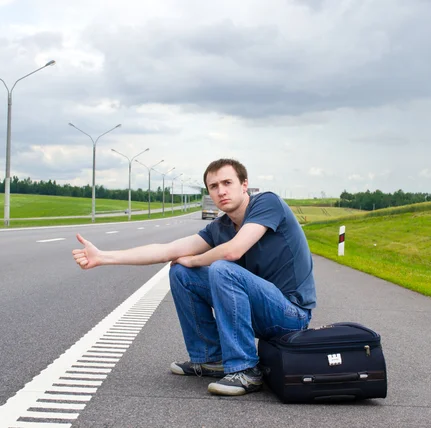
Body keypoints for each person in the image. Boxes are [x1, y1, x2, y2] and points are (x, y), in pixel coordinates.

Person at [72, 158, 316, 396]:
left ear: (244, 185)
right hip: (257, 312)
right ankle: (211, 359)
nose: (221, 191)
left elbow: (233, 251)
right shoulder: (219, 228)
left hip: (290, 315)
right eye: (214, 186)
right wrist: (103, 257)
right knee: (181, 272)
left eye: (227, 183)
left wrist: (196, 259)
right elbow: (166, 250)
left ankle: (246, 369)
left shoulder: (267, 203)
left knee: (222, 267)